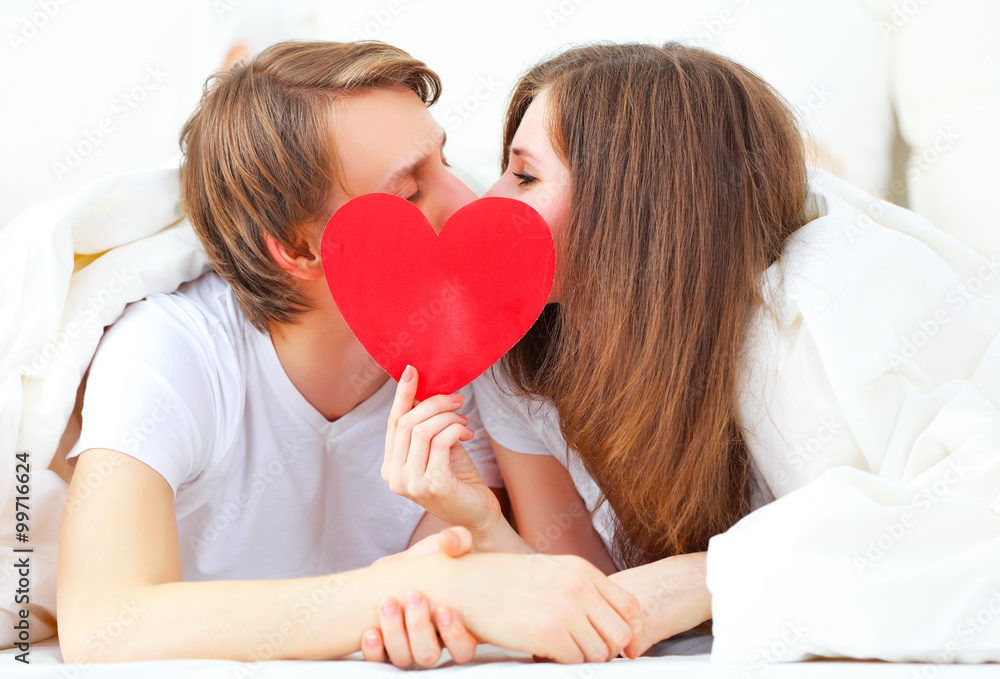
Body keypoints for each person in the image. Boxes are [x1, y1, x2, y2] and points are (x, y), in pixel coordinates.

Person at [376, 42, 1000, 665]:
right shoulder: (527, 350)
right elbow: (597, 616)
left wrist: (710, 578)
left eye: (527, 175)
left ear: (636, 204)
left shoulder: (835, 296)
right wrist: (482, 523)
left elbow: (972, 546)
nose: (486, 203)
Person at [56, 40, 642, 666]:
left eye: (443, 161)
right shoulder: (171, 352)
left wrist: (444, 579)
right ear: (298, 249)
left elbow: (520, 589)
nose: (470, 202)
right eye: (412, 190)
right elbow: (103, 626)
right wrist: (407, 589)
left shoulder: (472, 362)